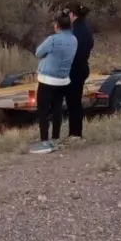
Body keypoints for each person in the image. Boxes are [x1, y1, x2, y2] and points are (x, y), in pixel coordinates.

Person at [30, 14, 77, 154]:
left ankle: (45, 140)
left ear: (58, 26)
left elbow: (38, 53)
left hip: (47, 80)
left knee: (43, 111)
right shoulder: (74, 40)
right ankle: (56, 138)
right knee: (57, 110)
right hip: (63, 80)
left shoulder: (53, 39)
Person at [66, 2, 94, 139]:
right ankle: (76, 132)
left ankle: (75, 133)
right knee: (76, 101)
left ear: (72, 14)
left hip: (74, 69)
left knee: (73, 103)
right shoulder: (87, 29)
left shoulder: (74, 32)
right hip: (83, 67)